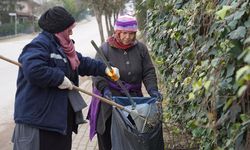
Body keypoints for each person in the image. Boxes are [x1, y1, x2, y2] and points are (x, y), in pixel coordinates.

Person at [11, 6, 119, 150]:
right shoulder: (39, 45)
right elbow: (33, 70)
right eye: (69, 29)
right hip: (38, 124)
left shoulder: (64, 48)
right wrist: (59, 78)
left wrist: (106, 69)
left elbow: (83, 63)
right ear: (59, 29)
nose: (72, 32)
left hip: (58, 124)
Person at [87, 15, 163, 150]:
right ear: (117, 32)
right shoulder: (104, 50)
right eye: (124, 33)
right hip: (110, 104)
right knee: (109, 142)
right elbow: (97, 76)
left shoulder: (141, 49)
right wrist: (105, 91)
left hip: (134, 102)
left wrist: (153, 90)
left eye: (131, 33)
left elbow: (148, 72)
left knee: (133, 141)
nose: (128, 37)